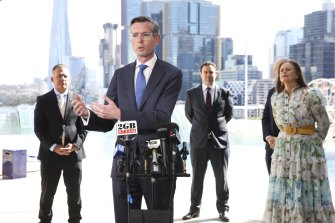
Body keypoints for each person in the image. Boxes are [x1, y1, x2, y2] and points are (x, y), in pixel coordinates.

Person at [71, 16, 182, 223]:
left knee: (157, 219)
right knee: (124, 219)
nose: (140, 40)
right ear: (130, 40)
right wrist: (86, 114)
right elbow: (107, 121)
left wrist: (121, 114)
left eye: (145, 35)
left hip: (157, 161)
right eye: (135, 35)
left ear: (157, 39)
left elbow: (161, 118)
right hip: (123, 161)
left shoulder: (171, 74)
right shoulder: (120, 74)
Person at [263, 60, 335, 222]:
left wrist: (314, 143)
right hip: (283, 150)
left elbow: (324, 122)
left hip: (307, 150)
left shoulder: (311, 94)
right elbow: (280, 124)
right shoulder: (275, 98)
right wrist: (278, 139)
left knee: (306, 185)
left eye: (288, 69)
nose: (284, 72)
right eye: (282, 70)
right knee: (284, 185)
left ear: (297, 74)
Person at [34, 64, 88, 223]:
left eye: (65, 76)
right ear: (52, 79)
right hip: (50, 156)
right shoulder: (43, 101)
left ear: (69, 79)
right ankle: (44, 220)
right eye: (59, 76)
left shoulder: (78, 100)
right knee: (47, 194)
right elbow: (39, 129)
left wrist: (76, 145)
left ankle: (75, 220)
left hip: (73, 155)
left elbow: (85, 128)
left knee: (75, 195)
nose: (62, 79)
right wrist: (53, 147)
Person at [183, 61, 234, 222]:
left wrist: (215, 128)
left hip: (220, 141)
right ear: (200, 74)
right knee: (197, 177)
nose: (208, 75)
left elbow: (229, 114)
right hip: (198, 141)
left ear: (216, 73)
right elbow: (189, 115)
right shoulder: (191, 94)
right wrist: (202, 128)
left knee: (221, 177)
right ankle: (194, 209)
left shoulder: (224, 93)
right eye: (205, 72)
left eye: (211, 72)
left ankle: (223, 210)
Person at [261, 58, 288, 175]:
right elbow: (265, 118)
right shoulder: (272, 92)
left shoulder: (302, 94)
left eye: (276, 70)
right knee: (273, 187)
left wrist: (281, 140)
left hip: (290, 148)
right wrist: (268, 137)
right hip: (271, 147)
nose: (274, 73)